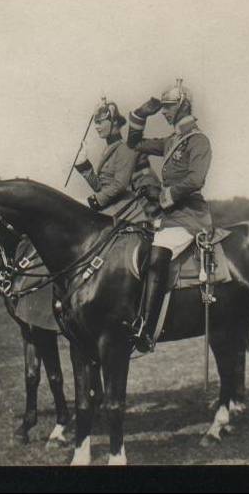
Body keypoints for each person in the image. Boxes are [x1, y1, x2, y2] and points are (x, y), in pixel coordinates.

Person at [126, 79, 212, 352]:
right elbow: (134, 143)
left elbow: (195, 180)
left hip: (189, 216)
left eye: (168, 107)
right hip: (168, 217)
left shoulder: (197, 141)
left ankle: (147, 328)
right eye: (162, 108)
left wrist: (164, 197)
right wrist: (141, 114)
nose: (164, 112)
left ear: (183, 106)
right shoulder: (171, 141)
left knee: (157, 255)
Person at [72, 97, 161, 220]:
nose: (96, 127)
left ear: (114, 122)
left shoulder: (125, 148)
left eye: (100, 122)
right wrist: (84, 165)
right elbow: (101, 188)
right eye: (95, 122)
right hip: (112, 206)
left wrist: (91, 202)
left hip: (127, 211)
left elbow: (120, 185)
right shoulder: (109, 149)